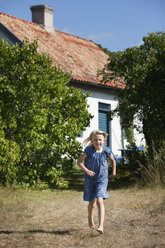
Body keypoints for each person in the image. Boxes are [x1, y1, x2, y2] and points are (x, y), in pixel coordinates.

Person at [77, 130, 116, 234]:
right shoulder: (89, 150)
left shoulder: (106, 151)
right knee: (91, 203)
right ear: (92, 140)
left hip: (102, 179)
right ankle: (89, 217)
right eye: (95, 140)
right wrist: (87, 171)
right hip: (90, 180)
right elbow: (79, 162)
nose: (97, 141)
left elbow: (113, 160)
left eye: (99, 139)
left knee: (100, 200)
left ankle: (101, 226)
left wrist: (113, 173)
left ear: (103, 140)